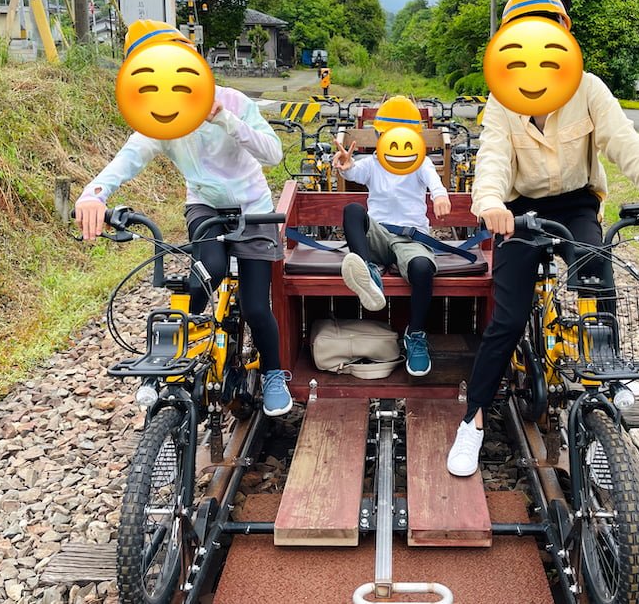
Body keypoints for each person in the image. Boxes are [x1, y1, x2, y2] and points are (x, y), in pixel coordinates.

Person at [446, 0, 639, 476]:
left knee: (596, 276)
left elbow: (626, 144)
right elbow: (493, 156)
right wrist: (490, 202)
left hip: (576, 199)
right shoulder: (502, 99)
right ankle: (472, 421)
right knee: (508, 317)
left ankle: (606, 388)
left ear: (564, 34)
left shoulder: (589, 88)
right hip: (517, 208)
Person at [75, 21, 293, 417]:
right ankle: (171, 358)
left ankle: (275, 373)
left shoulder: (234, 101)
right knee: (203, 274)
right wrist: (93, 194)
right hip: (205, 205)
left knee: (257, 306)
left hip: (254, 206)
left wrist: (224, 118)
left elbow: (273, 154)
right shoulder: (156, 119)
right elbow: (127, 159)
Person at [332, 111, 451, 377]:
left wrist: (441, 196)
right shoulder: (373, 163)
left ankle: (416, 335)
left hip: (409, 237)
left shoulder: (420, 163)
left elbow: (435, 182)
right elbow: (353, 171)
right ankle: (367, 271)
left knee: (422, 267)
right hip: (377, 234)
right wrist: (345, 164)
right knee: (353, 209)